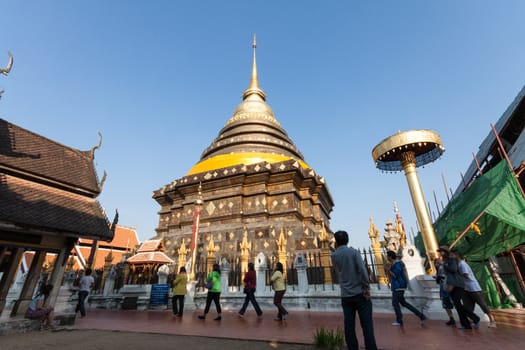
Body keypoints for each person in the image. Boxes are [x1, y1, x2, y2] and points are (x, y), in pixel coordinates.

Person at [331, 230, 377, 350]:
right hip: (360, 294)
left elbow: (338, 273)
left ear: (335, 242)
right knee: (367, 326)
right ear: (347, 240)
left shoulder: (334, 256)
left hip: (346, 295)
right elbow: (362, 271)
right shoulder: (354, 252)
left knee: (349, 327)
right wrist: (366, 287)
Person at [438, 246, 480, 330]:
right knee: (457, 305)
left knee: (457, 303)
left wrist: (442, 264)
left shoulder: (451, 260)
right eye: (440, 251)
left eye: (442, 251)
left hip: (457, 284)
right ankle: (465, 325)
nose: (440, 253)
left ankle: (475, 318)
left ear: (446, 252)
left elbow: (453, 269)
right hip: (451, 284)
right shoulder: (445, 261)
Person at [454, 250, 497, 328]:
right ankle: (471, 321)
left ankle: (492, 320)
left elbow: (466, 275)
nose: (451, 257)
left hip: (473, 288)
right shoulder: (457, 265)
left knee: (482, 304)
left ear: (457, 255)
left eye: (452, 255)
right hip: (465, 288)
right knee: (467, 307)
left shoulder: (462, 264)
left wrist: (456, 277)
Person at [386, 250, 426, 326]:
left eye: (387, 256)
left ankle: (399, 320)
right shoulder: (394, 264)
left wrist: (388, 270)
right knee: (404, 303)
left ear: (390, 257)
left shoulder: (397, 264)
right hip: (398, 286)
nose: (387, 258)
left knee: (395, 303)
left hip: (399, 286)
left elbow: (396, 275)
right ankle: (421, 316)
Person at [434, 257, 456, 326]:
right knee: (446, 305)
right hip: (443, 289)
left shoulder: (445, 266)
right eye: (436, 263)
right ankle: (451, 318)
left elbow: (447, 276)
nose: (437, 264)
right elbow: (438, 280)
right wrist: (437, 277)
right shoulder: (439, 268)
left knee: (455, 304)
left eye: (438, 262)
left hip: (448, 288)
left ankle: (465, 317)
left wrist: (440, 277)